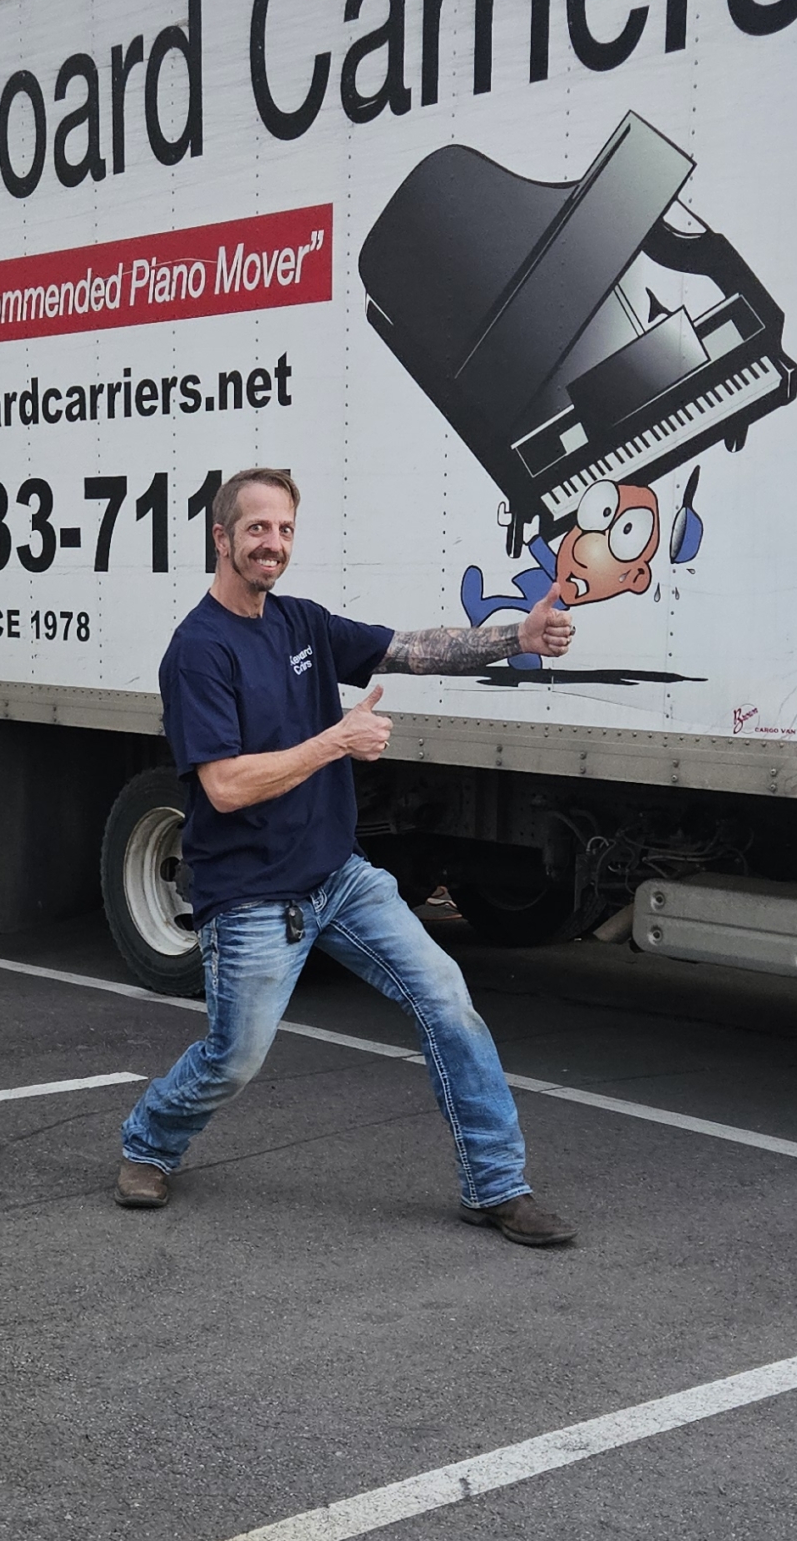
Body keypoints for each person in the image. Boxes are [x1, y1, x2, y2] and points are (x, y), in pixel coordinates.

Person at [115, 467, 576, 1242]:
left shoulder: (301, 624)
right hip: (252, 895)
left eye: (286, 530)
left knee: (447, 1002)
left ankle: (497, 1184)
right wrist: (336, 741)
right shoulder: (198, 651)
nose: (274, 544)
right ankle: (149, 1143)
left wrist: (515, 639)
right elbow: (225, 787)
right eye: (258, 529)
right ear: (221, 538)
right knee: (234, 1059)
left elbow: (409, 649)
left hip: (338, 878)